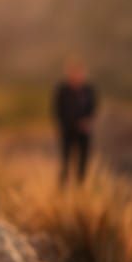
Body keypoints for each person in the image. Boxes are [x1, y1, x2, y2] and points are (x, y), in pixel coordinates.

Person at [53, 54, 97, 184]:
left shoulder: (89, 90)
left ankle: (80, 187)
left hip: (84, 132)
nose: (77, 75)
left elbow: (93, 108)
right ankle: (63, 188)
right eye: (74, 72)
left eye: (79, 72)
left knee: (82, 163)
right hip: (67, 131)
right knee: (65, 161)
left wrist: (87, 122)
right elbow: (57, 110)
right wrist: (67, 124)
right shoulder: (62, 90)